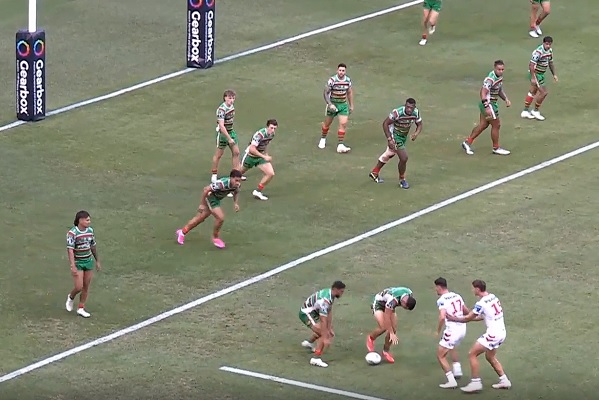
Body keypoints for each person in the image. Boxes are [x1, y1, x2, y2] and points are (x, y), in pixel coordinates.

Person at [446, 280, 512, 393]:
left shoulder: (481, 303)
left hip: (493, 335)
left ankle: (475, 383)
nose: (472, 290)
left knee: (472, 354)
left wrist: (453, 318)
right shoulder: (493, 297)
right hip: (501, 332)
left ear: (477, 289)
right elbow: (481, 316)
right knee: (490, 357)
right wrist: (468, 317)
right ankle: (504, 380)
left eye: (473, 288)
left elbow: (468, 318)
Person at [176, 169, 242, 248]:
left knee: (200, 218)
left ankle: (182, 232)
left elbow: (236, 193)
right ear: (231, 178)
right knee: (220, 217)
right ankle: (215, 237)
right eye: (236, 180)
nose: (237, 183)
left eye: (239, 181)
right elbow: (206, 189)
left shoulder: (236, 185)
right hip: (211, 198)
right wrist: (202, 204)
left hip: (216, 200)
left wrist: (235, 203)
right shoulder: (221, 184)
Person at [369, 98, 422, 189]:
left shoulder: (416, 113)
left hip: (403, 136)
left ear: (414, 107)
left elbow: (420, 124)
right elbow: (385, 124)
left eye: (411, 108)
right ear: (405, 105)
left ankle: (375, 172)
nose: (409, 109)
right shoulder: (397, 113)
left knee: (389, 154)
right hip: (395, 136)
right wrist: (390, 139)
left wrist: (416, 133)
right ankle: (402, 180)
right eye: (407, 107)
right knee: (404, 158)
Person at [461, 60, 511, 156]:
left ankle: (467, 142)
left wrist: (506, 99)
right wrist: (486, 106)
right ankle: (496, 148)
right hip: (488, 104)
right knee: (496, 125)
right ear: (494, 68)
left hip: (490, 104)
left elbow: (499, 90)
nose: (501, 71)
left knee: (483, 125)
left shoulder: (499, 77)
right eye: (499, 69)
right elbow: (483, 92)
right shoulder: (490, 79)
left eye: (502, 69)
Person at [299, 281, 346, 368]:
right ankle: (316, 358)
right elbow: (323, 319)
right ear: (335, 289)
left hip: (314, 312)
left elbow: (329, 311)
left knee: (326, 332)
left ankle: (309, 343)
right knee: (323, 333)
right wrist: (325, 337)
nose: (342, 294)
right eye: (341, 291)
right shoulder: (325, 300)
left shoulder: (330, 294)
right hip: (307, 313)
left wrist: (329, 327)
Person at [65, 210, 102, 318]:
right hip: (78, 262)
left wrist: (97, 260)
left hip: (88, 261)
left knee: (86, 286)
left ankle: (81, 308)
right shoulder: (72, 233)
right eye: (87, 220)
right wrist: (72, 265)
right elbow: (70, 250)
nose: (89, 222)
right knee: (79, 286)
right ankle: (71, 297)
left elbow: (93, 246)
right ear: (80, 220)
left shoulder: (90, 231)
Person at [366, 287, 416, 363]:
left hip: (390, 306)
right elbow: (387, 316)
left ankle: (385, 351)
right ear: (403, 302)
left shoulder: (409, 293)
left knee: (393, 329)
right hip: (379, 303)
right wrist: (391, 333)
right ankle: (371, 338)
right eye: (405, 307)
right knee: (383, 327)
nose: (404, 308)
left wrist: (392, 332)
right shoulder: (393, 300)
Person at [434, 277, 468, 389]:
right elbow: (466, 311)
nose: (435, 289)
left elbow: (442, 317)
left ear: (439, 287)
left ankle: (451, 381)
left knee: (440, 355)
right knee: (452, 346)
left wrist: (438, 331)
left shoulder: (442, 300)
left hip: (452, 331)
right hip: (462, 329)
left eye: (436, 287)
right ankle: (457, 370)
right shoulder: (457, 296)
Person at [211, 90, 245, 186]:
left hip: (231, 131)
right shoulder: (221, 110)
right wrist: (229, 138)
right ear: (225, 98)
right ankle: (214, 174)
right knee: (219, 154)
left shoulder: (231, 107)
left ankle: (236, 174)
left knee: (236, 152)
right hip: (223, 134)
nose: (232, 100)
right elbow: (222, 126)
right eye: (230, 98)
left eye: (233, 98)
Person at [318, 63, 354, 153]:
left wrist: (351, 105)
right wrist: (330, 104)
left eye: (343, 71)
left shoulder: (348, 81)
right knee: (327, 124)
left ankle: (340, 145)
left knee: (343, 123)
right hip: (333, 104)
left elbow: (349, 92)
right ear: (337, 70)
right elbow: (325, 93)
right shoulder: (332, 80)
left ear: (345, 71)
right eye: (340, 70)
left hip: (343, 105)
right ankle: (323, 138)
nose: (341, 72)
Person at [521, 36, 557, 121]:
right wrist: (533, 78)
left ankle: (525, 111)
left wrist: (554, 74)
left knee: (532, 92)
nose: (548, 46)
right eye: (547, 44)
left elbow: (550, 63)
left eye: (550, 44)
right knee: (544, 92)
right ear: (543, 43)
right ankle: (535, 111)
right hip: (536, 74)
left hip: (541, 74)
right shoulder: (538, 52)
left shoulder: (549, 51)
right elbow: (531, 65)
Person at [240, 119, 278, 201]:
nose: (273, 130)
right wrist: (264, 156)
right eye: (271, 128)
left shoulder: (272, 134)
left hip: (260, 157)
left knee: (270, 173)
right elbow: (252, 149)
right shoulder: (259, 135)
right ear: (267, 127)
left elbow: (266, 144)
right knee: (238, 174)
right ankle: (228, 188)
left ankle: (257, 191)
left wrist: (266, 154)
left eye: (274, 128)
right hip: (250, 157)